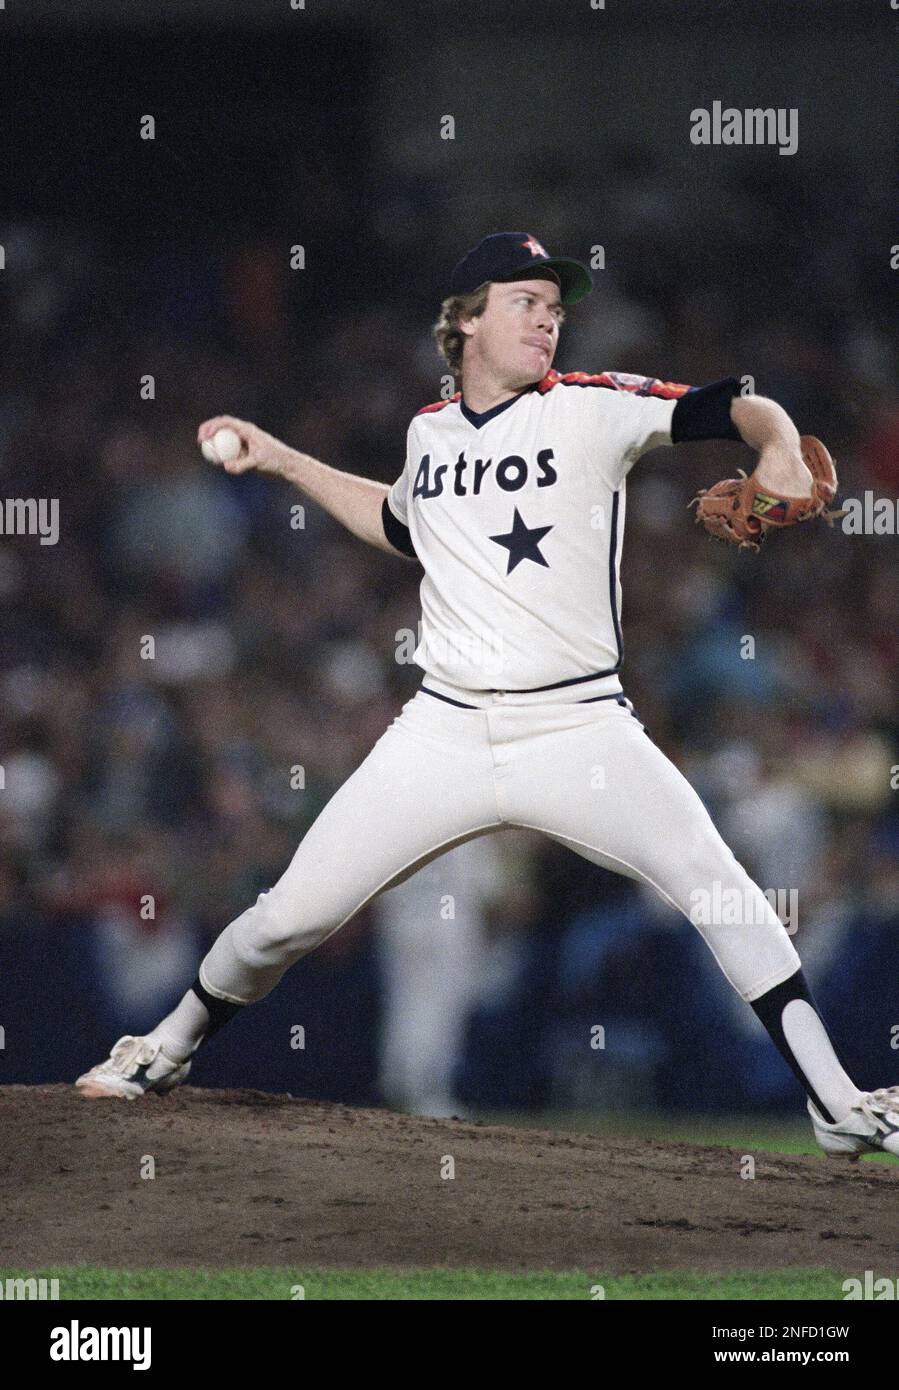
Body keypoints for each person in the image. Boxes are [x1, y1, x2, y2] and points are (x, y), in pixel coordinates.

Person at [77, 231, 899, 1159]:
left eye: (554, 308)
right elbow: (399, 521)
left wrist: (781, 445)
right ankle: (166, 1045)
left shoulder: (593, 408)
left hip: (579, 724)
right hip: (445, 728)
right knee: (286, 918)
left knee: (719, 887)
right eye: (524, 302)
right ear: (465, 320)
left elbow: (736, 406)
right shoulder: (427, 433)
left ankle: (837, 1102)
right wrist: (282, 461)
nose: (547, 321)